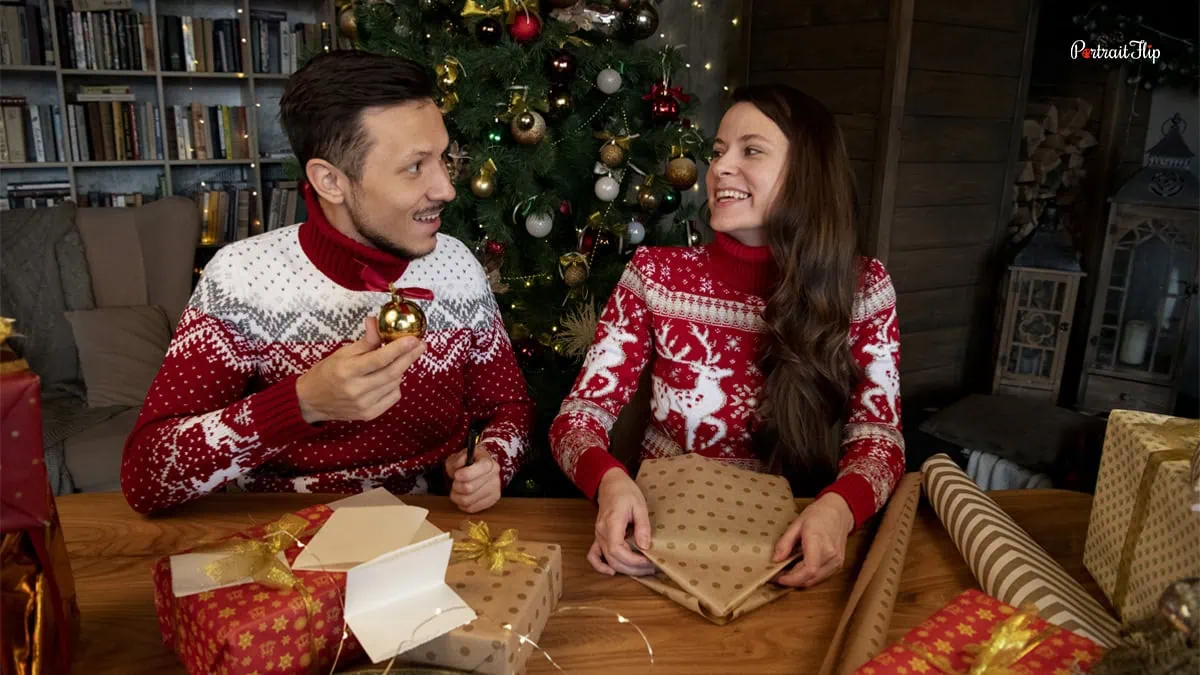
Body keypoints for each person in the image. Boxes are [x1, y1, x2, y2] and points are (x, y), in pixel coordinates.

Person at [121, 51, 534, 515]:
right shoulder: (242, 279)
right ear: (330, 181)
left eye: (443, 159)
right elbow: (147, 476)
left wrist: (491, 460)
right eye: (415, 167)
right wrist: (300, 404)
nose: (445, 189)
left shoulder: (456, 265)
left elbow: (506, 408)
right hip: (281, 538)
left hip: (431, 531)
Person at [549, 84, 904, 588]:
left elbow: (879, 439)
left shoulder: (865, 289)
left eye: (751, 150)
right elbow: (576, 420)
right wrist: (608, 482)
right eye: (717, 153)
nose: (719, 169)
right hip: (661, 544)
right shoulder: (655, 275)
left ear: (808, 175)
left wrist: (840, 510)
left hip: (792, 550)